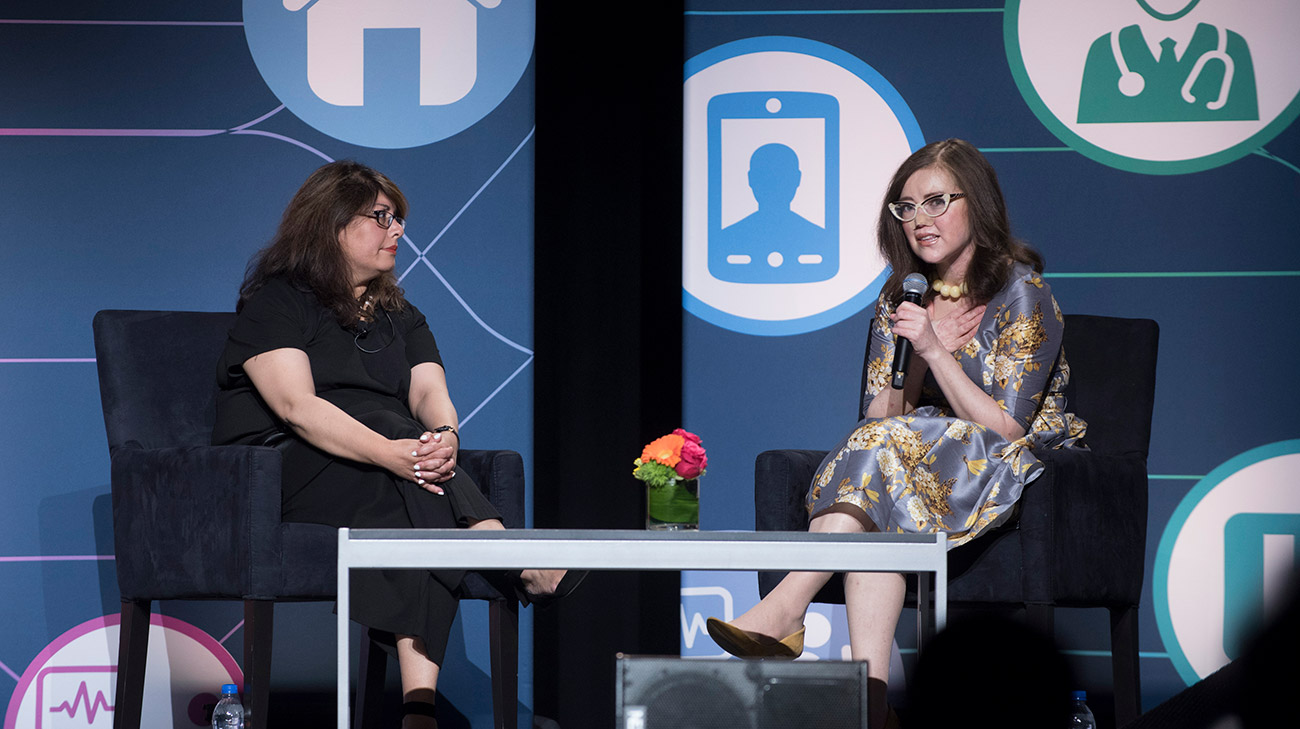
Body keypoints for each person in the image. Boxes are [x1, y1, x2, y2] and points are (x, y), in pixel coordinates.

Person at [707, 139, 1086, 729]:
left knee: (881, 459)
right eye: (905, 209)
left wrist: (935, 349)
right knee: (877, 489)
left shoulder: (1023, 291)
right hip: (918, 455)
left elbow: (1008, 424)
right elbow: (880, 413)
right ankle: (872, 707)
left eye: (935, 202)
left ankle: (787, 604)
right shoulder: (902, 297)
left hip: (1008, 457)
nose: (920, 221)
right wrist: (917, 348)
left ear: (976, 204)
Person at [212, 160, 577, 728]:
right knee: (392, 432)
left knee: (407, 506)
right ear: (332, 224)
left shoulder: (399, 314)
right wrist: (395, 452)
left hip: (378, 467)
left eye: (399, 219)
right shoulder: (278, 302)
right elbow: (296, 407)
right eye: (381, 217)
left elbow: (430, 389)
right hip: (282, 465)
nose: (398, 231)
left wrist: (445, 436)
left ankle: (417, 711)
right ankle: (512, 555)